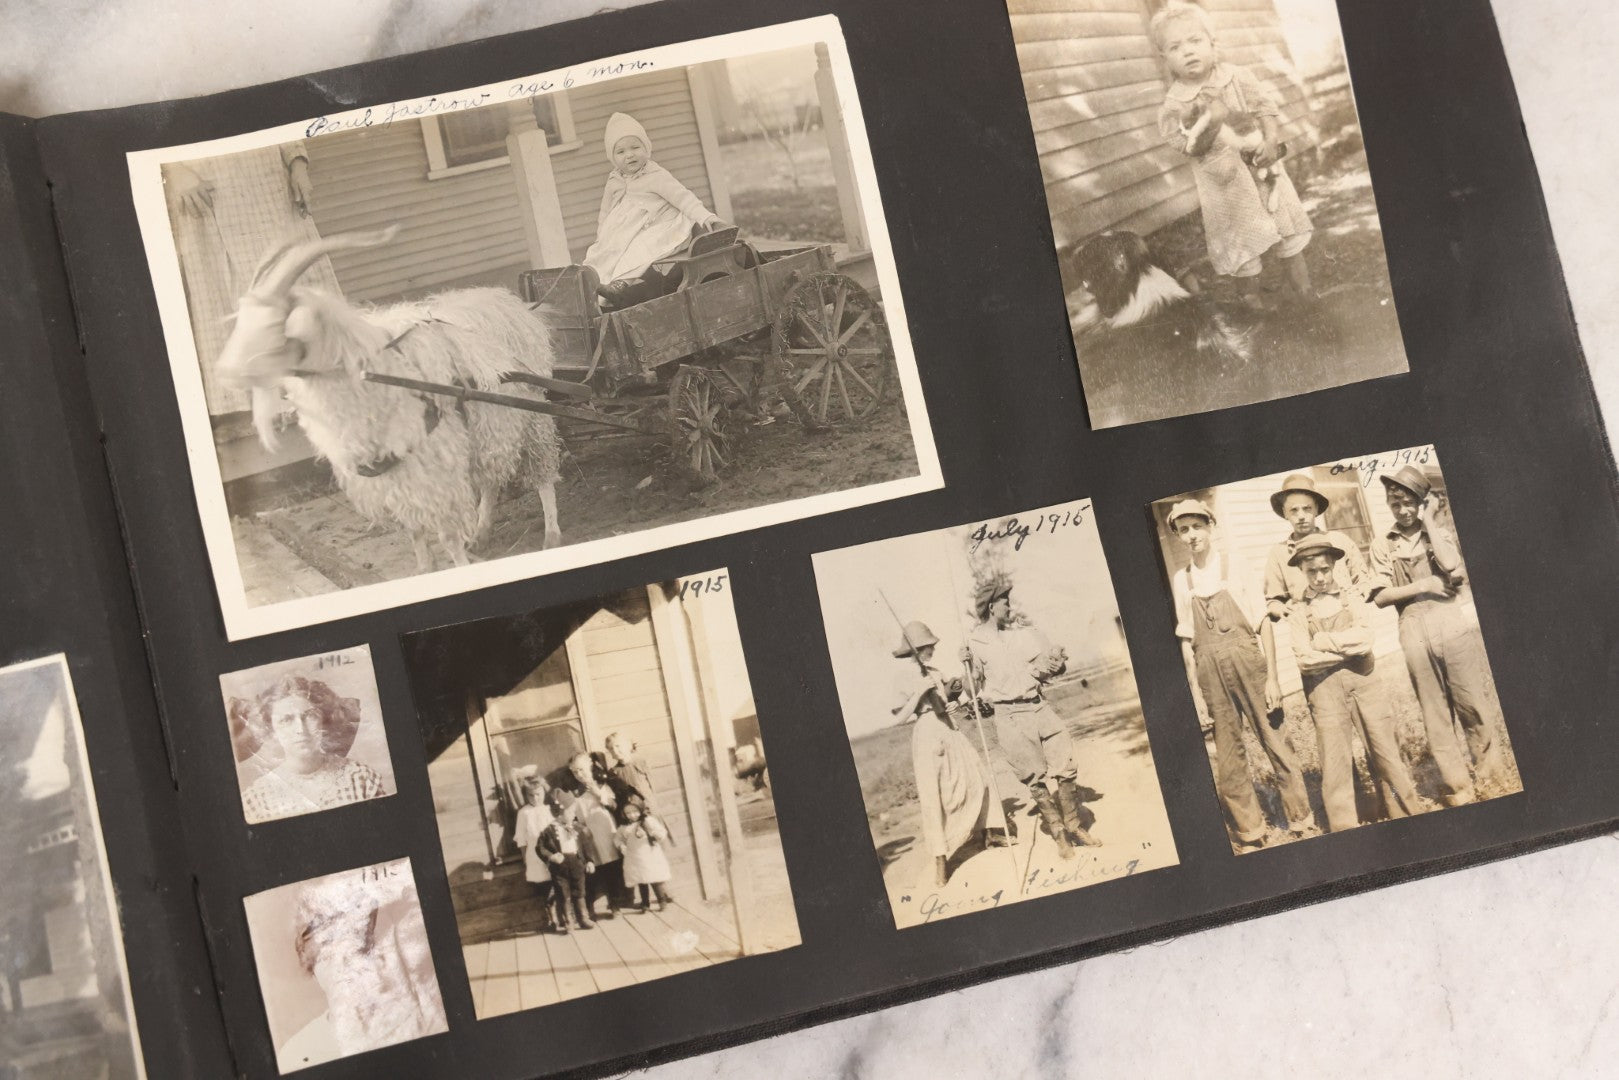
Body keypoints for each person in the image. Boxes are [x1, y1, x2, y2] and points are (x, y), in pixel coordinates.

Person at [1167, 500, 1314, 848]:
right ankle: (1251, 830)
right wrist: (1195, 692)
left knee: (1274, 739)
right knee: (1228, 753)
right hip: (1208, 670)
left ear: (1210, 526)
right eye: (1183, 530)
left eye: (1196, 527)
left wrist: (1274, 678)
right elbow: (1187, 639)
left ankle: (1301, 820)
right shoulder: (1181, 579)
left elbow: (1263, 622)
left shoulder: (1235, 564)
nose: (1191, 536)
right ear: (1178, 536)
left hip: (1248, 661)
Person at [1151, 3, 1315, 309]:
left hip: (1264, 171)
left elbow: (1264, 108)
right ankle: (1253, 304)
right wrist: (1212, 121)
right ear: (1165, 57)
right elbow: (1186, 147)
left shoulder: (1236, 77)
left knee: (1286, 228)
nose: (1187, 51)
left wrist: (1270, 139)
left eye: (1195, 41)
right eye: (1175, 47)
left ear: (1213, 43)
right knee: (1243, 246)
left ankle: (1305, 293)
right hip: (1225, 186)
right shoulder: (1175, 106)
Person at [163, 143, 341, 426]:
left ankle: (322, 394)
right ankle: (270, 413)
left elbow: (282, 112)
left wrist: (297, 162)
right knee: (239, 303)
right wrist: (172, 169)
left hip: (267, 185)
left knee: (293, 287)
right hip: (204, 190)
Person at [1367, 466, 1510, 806]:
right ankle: (1457, 785)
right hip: (1412, 627)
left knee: (1471, 701)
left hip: (1450, 623)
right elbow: (1381, 596)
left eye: (1408, 503)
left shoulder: (1439, 533)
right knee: (1434, 711)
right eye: (1394, 503)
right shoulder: (1382, 544)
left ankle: (1491, 776)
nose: (1402, 511)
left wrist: (1430, 519)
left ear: (1421, 502)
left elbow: (1452, 568)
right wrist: (1424, 585)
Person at [1285, 535, 1423, 832]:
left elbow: (1365, 641)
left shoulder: (1352, 597)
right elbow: (1304, 660)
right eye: (1312, 572)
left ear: (1334, 564)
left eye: (1324, 569)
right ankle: (1345, 829)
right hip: (1324, 692)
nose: (1320, 577)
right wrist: (1342, 650)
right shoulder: (1298, 611)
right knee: (1335, 763)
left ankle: (1407, 816)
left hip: (1365, 682)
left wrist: (1324, 642)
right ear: (1302, 571)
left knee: (1385, 750)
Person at [964, 580, 1099, 860]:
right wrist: (965, 665)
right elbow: (972, 689)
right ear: (992, 606)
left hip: (1038, 706)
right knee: (1032, 776)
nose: (1010, 606)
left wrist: (1056, 663)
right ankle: (1059, 832)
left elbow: (1047, 668)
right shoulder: (974, 643)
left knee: (1065, 761)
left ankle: (1074, 826)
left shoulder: (1022, 635)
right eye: (1005, 601)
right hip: (1008, 715)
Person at [280, 866, 446, 1068]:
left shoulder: (425, 1018)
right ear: (312, 970)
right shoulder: (298, 1054)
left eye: (355, 948)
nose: (342, 964)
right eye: (326, 954)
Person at [891, 620, 1008, 888]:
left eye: (930, 644)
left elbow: (953, 698)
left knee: (978, 773)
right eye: (925, 646)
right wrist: (919, 692)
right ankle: (941, 860)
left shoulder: (935, 671)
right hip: (926, 733)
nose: (930, 649)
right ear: (914, 650)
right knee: (934, 795)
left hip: (949, 728)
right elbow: (899, 718)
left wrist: (962, 698)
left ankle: (990, 832)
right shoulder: (903, 678)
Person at [583, 112, 727, 309]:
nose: (630, 155)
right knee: (604, 250)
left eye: (635, 147)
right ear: (613, 157)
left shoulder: (655, 175)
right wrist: (602, 236)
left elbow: (684, 198)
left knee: (640, 248)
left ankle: (621, 284)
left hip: (663, 228)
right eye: (621, 152)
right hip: (630, 229)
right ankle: (593, 292)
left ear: (646, 148)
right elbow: (605, 212)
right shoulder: (614, 181)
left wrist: (707, 218)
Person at [235, 675, 388, 824]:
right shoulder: (257, 800)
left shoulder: (360, 779)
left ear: (324, 720)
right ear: (272, 729)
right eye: (286, 720)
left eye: (309, 716)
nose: (300, 729)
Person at [1263, 473, 1368, 619]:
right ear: (1284, 512)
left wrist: (1357, 598)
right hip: (1309, 630)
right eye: (1294, 510)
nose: (1301, 516)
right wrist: (1283, 609)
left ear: (1317, 509)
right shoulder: (1279, 553)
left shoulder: (1340, 542)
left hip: (1350, 623)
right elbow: (1274, 601)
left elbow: (1363, 582)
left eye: (1307, 508)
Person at [551, 752, 624, 920]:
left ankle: (615, 904)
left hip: (605, 830)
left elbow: (614, 805)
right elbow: (572, 813)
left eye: (582, 770)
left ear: (590, 765)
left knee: (611, 867)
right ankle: (589, 907)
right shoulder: (574, 791)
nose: (579, 775)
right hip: (586, 834)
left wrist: (599, 793)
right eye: (575, 772)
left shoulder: (602, 785)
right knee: (592, 869)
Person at [510, 772, 556, 933]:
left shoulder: (550, 808)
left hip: (553, 853)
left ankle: (564, 915)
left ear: (544, 792)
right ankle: (551, 919)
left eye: (538, 794)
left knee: (558, 883)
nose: (535, 798)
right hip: (535, 856)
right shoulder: (524, 813)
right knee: (543, 887)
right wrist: (524, 857)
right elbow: (521, 837)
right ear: (526, 795)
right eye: (531, 795)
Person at [535, 815, 593, 933]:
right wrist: (551, 856)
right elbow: (540, 847)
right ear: (558, 814)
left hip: (577, 862)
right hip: (560, 866)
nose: (571, 815)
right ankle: (569, 922)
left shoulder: (577, 828)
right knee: (563, 893)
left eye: (572, 811)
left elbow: (586, 845)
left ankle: (583, 918)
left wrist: (590, 860)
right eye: (567, 812)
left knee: (579, 890)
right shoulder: (549, 830)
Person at [614, 801, 675, 913]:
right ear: (624, 814)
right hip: (635, 857)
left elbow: (661, 832)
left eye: (635, 812)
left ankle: (662, 900)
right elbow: (617, 839)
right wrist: (621, 846)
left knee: (655, 878)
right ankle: (645, 903)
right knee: (641, 879)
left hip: (650, 854)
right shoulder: (624, 827)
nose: (632, 815)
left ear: (640, 810)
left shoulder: (648, 821)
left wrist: (654, 833)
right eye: (628, 813)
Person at [604, 732, 655, 811]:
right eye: (611, 748)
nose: (615, 750)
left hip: (650, 807)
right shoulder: (614, 772)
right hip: (633, 813)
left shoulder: (641, 762)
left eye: (617, 746)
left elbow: (652, 786)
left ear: (627, 745)